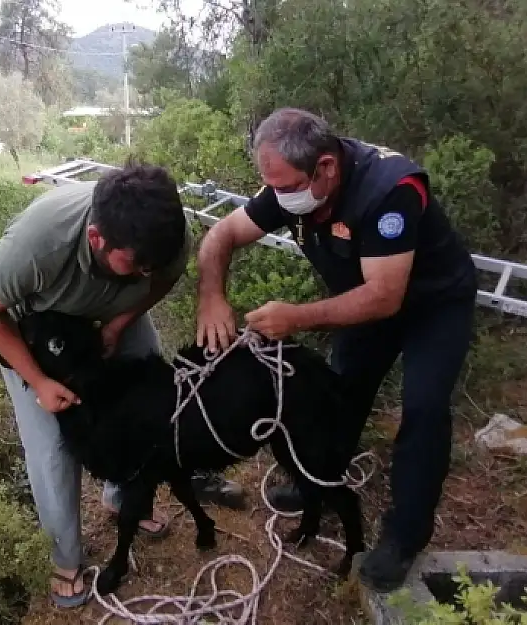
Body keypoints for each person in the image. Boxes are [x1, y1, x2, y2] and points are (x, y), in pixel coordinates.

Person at [194, 108, 479, 593]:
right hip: (362, 304)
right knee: (337, 393)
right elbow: (221, 235)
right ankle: (319, 484)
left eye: (286, 187)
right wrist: (211, 296)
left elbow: (386, 296)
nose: (278, 198)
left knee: (424, 409)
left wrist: (296, 317)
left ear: (325, 167)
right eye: (272, 187)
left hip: (432, 304)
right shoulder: (290, 188)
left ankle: (405, 535)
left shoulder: (392, 189)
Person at [0, 159, 247, 608]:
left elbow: (161, 278)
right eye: (137, 266)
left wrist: (119, 324)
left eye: (153, 265)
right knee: (54, 447)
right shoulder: (42, 239)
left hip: (111, 314)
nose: (146, 273)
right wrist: (38, 381)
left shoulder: (162, 240)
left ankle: (123, 496)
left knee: (152, 403)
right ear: (97, 239)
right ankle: (66, 558)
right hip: (36, 334)